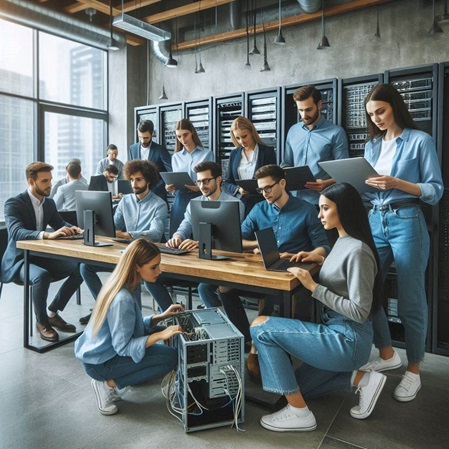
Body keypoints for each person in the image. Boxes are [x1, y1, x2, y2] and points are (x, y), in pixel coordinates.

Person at [250, 182, 386, 432]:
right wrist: (319, 258)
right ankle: (363, 379)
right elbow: (341, 272)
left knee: (260, 327)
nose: (319, 215)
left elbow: (360, 311)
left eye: (324, 209)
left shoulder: (358, 251)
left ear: (342, 210)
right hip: (339, 332)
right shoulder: (343, 242)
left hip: (347, 339)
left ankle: (299, 414)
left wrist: (313, 287)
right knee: (298, 386)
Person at [359, 83, 443, 402]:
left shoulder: (421, 141)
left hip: (407, 219)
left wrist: (398, 184)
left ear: (395, 106)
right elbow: (368, 191)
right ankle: (387, 352)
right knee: (367, 288)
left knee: (410, 298)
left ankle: (414, 369)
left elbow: (435, 190)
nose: (377, 118)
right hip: (374, 219)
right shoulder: (372, 146)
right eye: (371, 114)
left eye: (381, 111)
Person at [217, 164, 329, 344]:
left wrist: (311, 255)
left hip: (291, 269)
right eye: (260, 189)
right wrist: (259, 244)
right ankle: (247, 339)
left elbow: (323, 246)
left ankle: (263, 340)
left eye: (268, 188)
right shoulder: (258, 209)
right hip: (261, 268)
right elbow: (237, 240)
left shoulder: (306, 209)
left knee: (272, 296)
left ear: (282, 183)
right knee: (224, 287)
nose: (264, 193)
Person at [74, 239, 183, 416]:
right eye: (154, 267)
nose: (159, 271)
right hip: (100, 364)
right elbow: (123, 347)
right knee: (169, 357)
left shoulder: (123, 284)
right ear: (137, 267)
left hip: (100, 355)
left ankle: (110, 381)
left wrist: (160, 317)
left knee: (163, 346)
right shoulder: (123, 298)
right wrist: (160, 335)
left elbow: (129, 326)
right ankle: (106, 384)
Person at [145, 161, 244, 310]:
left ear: (218, 180)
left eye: (206, 181)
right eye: (199, 181)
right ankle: (176, 317)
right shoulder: (194, 203)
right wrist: (177, 236)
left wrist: (201, 243)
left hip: (222, 265)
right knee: (150, 278)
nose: (202, 186)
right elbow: (185, 225)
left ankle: (220, 325)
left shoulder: (236, 204)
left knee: (204, 288)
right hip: (196, 263)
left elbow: (233, 240)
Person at [79, 160, 169, 325]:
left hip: (144, 257)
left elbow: (156, 234)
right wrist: (99, 227)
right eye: (132, 179)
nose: (134, 183)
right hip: (124, 254)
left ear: (148, 180)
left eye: (139, 180)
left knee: (132, 274)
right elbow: (114, 226)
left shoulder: (159, 204)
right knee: (85, 267)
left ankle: (138, 324)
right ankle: (105, 307)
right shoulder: (125, 201)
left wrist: (128, 235)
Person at [1, 162, 83, 342]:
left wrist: (74, 229)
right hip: (19, 260)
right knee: (41, 276)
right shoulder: (13, 203)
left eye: (50, 180)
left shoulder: (49, 203)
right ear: (31, 181)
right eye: (45, 181)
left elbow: (59, 224)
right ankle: (42, 322)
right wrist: (46, 234)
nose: (50, 184)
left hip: (40, 256)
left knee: (81, 269)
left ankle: (52, 312)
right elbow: (16, 232)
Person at [282, 85, 349, 205]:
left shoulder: (336, 132)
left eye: (308, 110)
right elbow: (286, 163)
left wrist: (326, 184)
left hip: (321, 203)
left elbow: (344, 172)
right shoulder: (293, 131)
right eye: (300, 110)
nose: (304, 115)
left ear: (319, 105)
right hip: (293, 202)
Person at [167, 119, 214, 236]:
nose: (183, 139)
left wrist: (200, 188)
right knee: (177, 234)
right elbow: (175, 179)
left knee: (199, 235)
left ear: (192, 132)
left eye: (185, 135)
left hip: (200, 197)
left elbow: (213, 179)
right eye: (179, 136)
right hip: (180, 198)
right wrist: (170, 187)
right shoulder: (175, 157)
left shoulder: (207, 154)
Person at [223, 116, 276, 216]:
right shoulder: (234, 154)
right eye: (237, 138)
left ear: (251, 132)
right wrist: (238, 189)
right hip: (240, 204)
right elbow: (227, 182)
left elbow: (274, 179)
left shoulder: (267, 152)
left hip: (262, 203)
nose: (241, 141)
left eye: (244, 136)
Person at [129, 120, 172, 203]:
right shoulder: (132, 149)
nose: (143, 141)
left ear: (152, 133)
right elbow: (131, 172)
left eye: (146, 138)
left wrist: (161, 185)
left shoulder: (160, 150)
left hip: (157, 195)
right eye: (140, 137)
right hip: (139, 195)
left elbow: (170, 172)